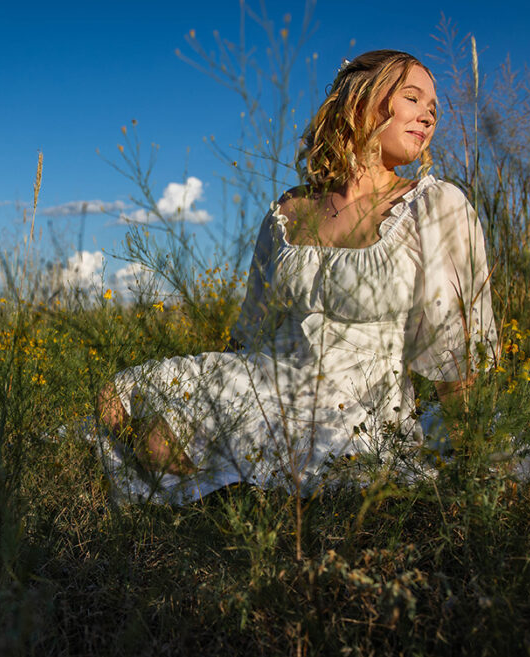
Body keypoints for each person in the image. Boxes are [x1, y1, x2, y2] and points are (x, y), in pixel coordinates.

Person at [94, 50, 497, 504]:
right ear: (359, 100)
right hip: (266, 377)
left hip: (352, 408)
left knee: (263, 454)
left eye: (434, 108)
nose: (428, 114)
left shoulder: (435, 205)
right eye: (412, 97)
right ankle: (204, 496)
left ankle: (219, 498)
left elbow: (458, 354)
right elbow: (250, 332)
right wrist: (207, 393)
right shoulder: (289, 209)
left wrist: (474, 457)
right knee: (120, 396)